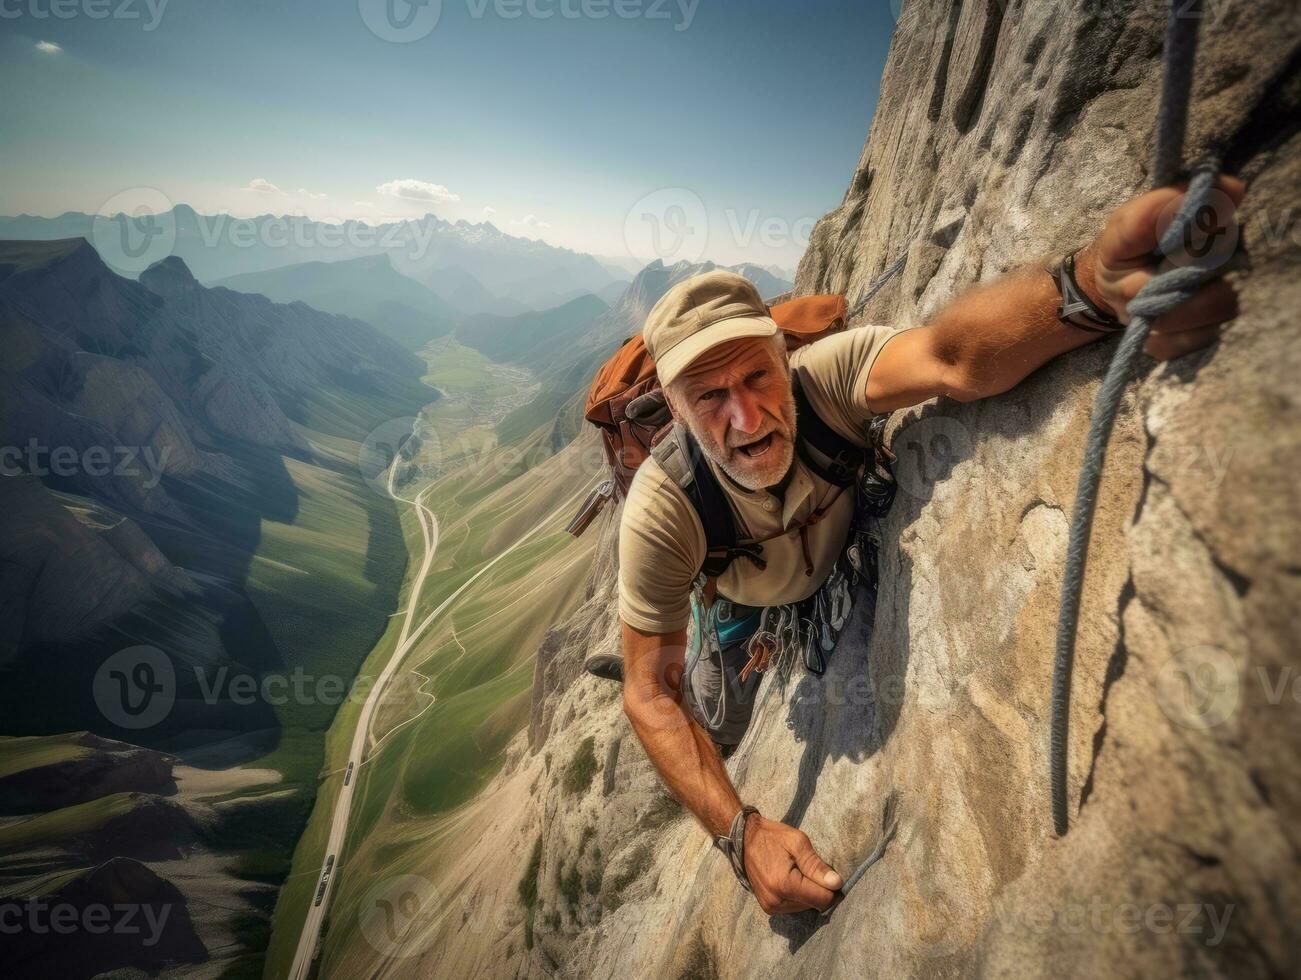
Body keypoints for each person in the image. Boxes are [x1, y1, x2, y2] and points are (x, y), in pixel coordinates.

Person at [616, 177, 1245, 916]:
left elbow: (951, 356)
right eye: (709, 398)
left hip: (825, 557)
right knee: (711, 714)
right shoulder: (663, 509)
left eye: (757, 375)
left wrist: (1087, 289)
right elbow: (648, 691)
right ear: (679, 414)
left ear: (784, 358)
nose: (746, 415)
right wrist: (738, 833)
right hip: (742, 604)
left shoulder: (826, 380)